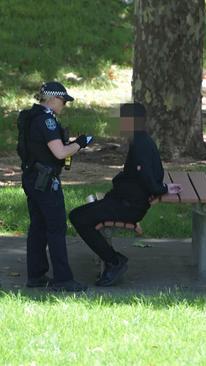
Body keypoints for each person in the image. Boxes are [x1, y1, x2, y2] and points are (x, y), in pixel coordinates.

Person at [69, 103, 181, 286]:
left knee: (78, 217)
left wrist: (163, 189)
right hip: (122, 200)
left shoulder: (141, 144)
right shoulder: (139, 140)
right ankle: (113, 260)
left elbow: (147, 178)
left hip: (129, 207)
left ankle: (114, 261)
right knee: (81, 215)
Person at [17, 82, 91, 291]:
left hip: (33, 178)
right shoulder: (46, 120)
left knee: (38, 227)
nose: (64, 105)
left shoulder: (32, 116)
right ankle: (63, 280)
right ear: (53, 99)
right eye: (63, 101)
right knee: (56, 228)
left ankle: (36, 275)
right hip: (46, 181)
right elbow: (59, 153)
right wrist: (81, 143)